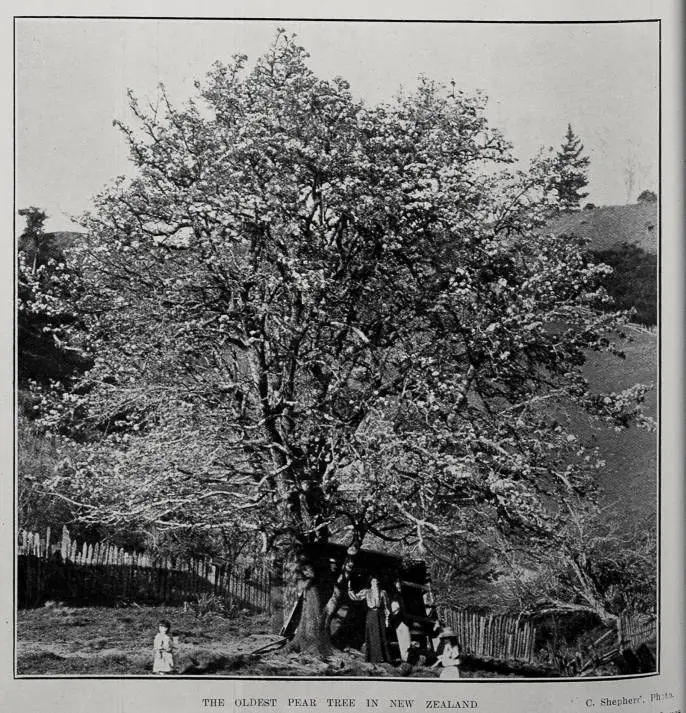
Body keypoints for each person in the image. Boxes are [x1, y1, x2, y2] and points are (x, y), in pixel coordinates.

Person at [348, 575, 391, 663]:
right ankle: (372, 658)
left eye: (377, 582)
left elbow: (387, 607)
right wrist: (350, 589)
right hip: (371, 615)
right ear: (371, 582)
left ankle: (383, 658)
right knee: (372, 635)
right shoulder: (367, 592)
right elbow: (356, 597)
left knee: (382, 635)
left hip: (380, 615)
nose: (375, 583)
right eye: (373, 582)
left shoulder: (383, 592)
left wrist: (387, 620)